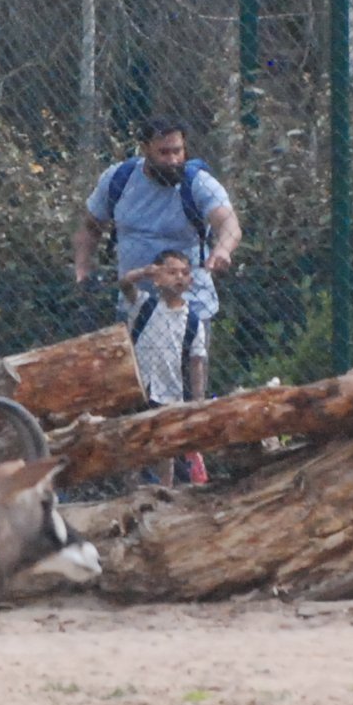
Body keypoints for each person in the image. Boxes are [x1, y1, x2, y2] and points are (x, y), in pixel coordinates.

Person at [73, 117, 242, 404]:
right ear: (145, 149)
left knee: (188, 390)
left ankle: (192, 444)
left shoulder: (198, 184)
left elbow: (229, 225)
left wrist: (222, 250)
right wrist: (82, 267)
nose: (174, 159)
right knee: (132, 391)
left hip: (189, 307)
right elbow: (90, 227)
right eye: (164, 152)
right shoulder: (120, 179)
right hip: (136, 305)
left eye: (178, 151)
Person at [121, 248, 208, 484]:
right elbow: (125, 283)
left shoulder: (193, 321)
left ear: (191, 280)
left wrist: (198, 401)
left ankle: (165, 491)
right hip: (139, 386)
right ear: (157, 278)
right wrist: (143, 272)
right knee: (135, 442)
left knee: (165, 447)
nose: (179, 277)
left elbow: (197, 362)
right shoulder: (144, 306)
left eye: (184, 273)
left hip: (170, 390)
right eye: (171, 272)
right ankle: (132, 489)